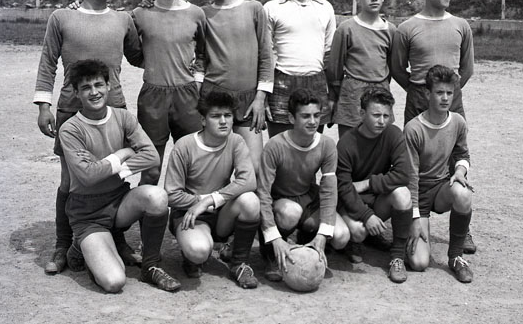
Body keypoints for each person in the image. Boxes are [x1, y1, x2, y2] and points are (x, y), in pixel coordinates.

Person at [34, 0, 144, 274]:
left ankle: (117, 239)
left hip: (115, 109)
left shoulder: (123, 19)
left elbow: (139, 56)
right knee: (70, 180)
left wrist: (150, 16)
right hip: (72, 110)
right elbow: (47, 61)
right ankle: (62, 244)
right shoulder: (61, 18)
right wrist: (44, 105)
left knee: (115, 175)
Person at [58, 59, 180, 293]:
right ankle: (81, 246)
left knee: (157, 196)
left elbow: (152, 157)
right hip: (88, 214)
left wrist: (107, 167)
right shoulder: (71, 129)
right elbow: (87, 177)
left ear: (108, 86)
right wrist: (122, 153)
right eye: (86, 87)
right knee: (114, 282)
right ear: (76, 92)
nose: (94, 92)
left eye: (98, 85)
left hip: (118, 202)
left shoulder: (123, 117)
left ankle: (151, 266)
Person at [390, 0, 476, 253]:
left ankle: (463, 228)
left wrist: (448, 93)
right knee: (413, 159)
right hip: (418, 95)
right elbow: (397, 68)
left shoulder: (461, 26)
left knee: (455, 155)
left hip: (452, 96)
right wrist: (421, 92)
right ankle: (411, 218)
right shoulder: (407, 28)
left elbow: (467, 69)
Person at [163, 90, 260, 289]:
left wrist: (210, 200)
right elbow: (171, 195)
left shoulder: (236, 141)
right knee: (198, 251)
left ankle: (239, 263)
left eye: (228, 115)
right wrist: (199, 201)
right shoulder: (184, 146)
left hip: (221, 211)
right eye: (216, 116)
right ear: (203, 120)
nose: (223, 121)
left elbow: (249, 180)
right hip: (191, 214)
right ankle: (191, 257)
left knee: (250, 201)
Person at [257, 88, 349, 282]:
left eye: (317, 115)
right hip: (281, 202)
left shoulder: (327, 145)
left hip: (308, 198)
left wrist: (323, 234)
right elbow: (263, 192)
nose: (313, 121)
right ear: (292, 118)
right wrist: (273, 236)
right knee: (291, 213)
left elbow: (329, 190)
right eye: (306, 116)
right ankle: (271, 252)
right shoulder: (274, 146)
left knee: (341, 236)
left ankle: (310, 244)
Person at [131, 0, 207, 184]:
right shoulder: (140, 14)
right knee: (151, 168)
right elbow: (131, 51)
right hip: (153, 96)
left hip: (188, 95)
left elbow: (204, 52)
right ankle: (149, 208)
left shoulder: (196, 13)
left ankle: (186, 209)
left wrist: (197, 79)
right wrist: (153, 62)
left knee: (193, 166)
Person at [193, 0, 274, 173]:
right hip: (215, 96)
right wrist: (197, 93)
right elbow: (200, 58)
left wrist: (260, 98)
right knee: (214, 168)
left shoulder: (254, 8)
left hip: (249, 100)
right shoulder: (202, 14)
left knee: (253, 167)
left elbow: (266, 55)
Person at [404, 65, 474, 283]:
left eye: (449, 93)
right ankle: (404, 232)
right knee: (419, 263)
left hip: (441, 188)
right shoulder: (413, 129)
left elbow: (462, 155)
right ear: (427, 94)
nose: (445, 98)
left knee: (463, 194)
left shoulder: (458, 122)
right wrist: (415, 218)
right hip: (417, 194)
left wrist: (460, 171)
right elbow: (410, 177)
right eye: (439, 92)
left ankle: (456, 257)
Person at [336, 88, 414, 283]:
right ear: (362, 114)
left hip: (375, 197)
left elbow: (403, 174)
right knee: (359, 231)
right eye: (376, 115)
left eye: (386, 116)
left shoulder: (393, 134)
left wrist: (368, 183)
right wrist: (366, 216)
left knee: (402, 194)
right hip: (351, 202)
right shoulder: (346, 143)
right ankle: (355, 240)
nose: (382, 121)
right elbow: (344, 188)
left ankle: (397, 256)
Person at [263, 0, 336, 138]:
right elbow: (265, 55)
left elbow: (329, 55)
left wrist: (332, 95)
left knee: (312, 147)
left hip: (316, 83)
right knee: (280, 146)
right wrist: (263, 95)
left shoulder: (325, 8)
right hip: (281, 84)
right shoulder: (271, 8)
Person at [327, 0, 396, 137]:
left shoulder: (391, 30)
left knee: (379, 142)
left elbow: (391, 65)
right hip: (352, 94)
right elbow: (335, 67)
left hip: (380, 91)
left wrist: (381, 84)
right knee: (350, 141)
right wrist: (335, 96)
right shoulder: (346, 29)